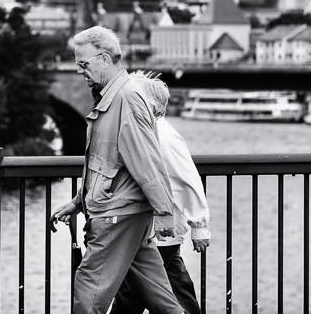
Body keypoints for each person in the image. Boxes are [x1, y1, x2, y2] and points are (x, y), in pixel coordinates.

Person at [49, 26, 184, 314]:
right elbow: (105, 159)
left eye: (83, 64)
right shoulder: (114, 96)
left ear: (105, 58)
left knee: (87, 295)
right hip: (123, 211)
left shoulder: (126, 98)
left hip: (117, 214)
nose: (79, 71)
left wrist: (164, 212)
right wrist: (77, 202)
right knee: (161, 300)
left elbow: (146, 161)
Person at [114, 74, 211, 314]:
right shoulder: (147, 132)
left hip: (157, 231)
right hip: (156, 232)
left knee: (131, 294)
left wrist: (199, 225)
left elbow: (187, 180)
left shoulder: (162, 136)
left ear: (151, 106)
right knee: (173, 288)